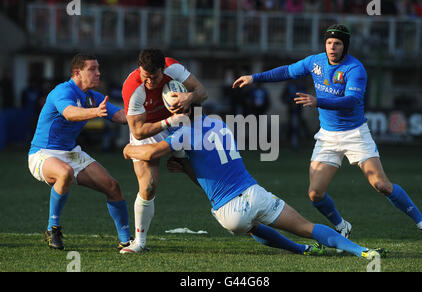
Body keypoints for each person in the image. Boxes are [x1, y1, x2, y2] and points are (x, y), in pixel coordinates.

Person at [232, 24, 422, 249]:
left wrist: (317, 100)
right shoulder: (315, 62)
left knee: (381, 184)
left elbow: (351, 101)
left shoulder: (355, 69)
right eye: (329, 42)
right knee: (315, 194)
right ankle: (342, 225)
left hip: (355, 134)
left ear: (345, 46)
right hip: (328, 137)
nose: (332, 47)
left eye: (337, 43)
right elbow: (287, 71)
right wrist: (254, 77)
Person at [121, 105, 386, 260]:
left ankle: (302, 250)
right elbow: (214, 164)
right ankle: (362, 252)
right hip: (253, 192)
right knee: (306, 225)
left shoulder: (183, 133)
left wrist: (129, 150)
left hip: (228, 212)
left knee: (250, 226)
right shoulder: (218, 124)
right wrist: (189, 164)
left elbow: (151, 153)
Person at [28, 53, 132, 251]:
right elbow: (69, 113)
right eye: (92, 69)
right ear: (77, 73)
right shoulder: (62, 91)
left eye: (98, 69)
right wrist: (95, 112)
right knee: (64, 172)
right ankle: (53, 229)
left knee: (112, 186)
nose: (98, 73)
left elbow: (120, 115)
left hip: (71, 152)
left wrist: (152, 116)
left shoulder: (93, 97)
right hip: (42, 153)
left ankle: (126, 241)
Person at [120, 48, 207, 253]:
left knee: (200, 168)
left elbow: (203, 92)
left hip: (177, 122)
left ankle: (223, 205)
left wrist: (189, 97)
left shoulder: (174, 68)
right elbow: (139, 131)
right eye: (145, 76)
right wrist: (168, 120)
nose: (149, 81)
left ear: (163, 69)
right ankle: (139, 242)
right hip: (149, 128)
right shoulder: (132, 87)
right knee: (149, 185)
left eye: (154, 77)